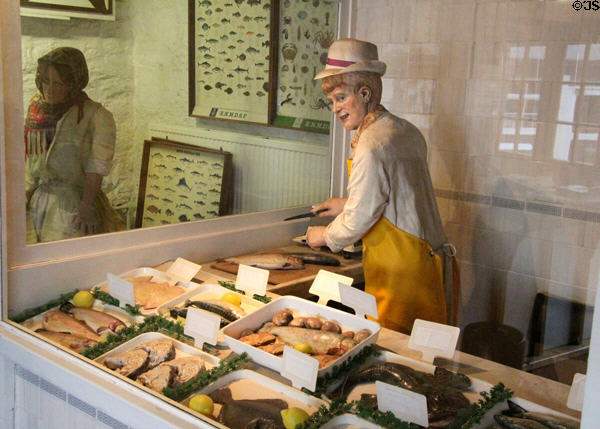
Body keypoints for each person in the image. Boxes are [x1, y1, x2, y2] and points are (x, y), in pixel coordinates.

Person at [306, 38, 457, 334]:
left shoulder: (370, 144)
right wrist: (344, 203)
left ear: (364, 93)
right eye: (332, 101)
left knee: (397, 350)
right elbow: (396, 199)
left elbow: (362, 216)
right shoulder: (404, 130)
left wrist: (325, 235)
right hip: (425, 262)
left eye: (340, 97)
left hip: (400, 273)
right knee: (424, 351)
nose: (335, 109)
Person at [25, 47, 123, 243]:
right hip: (39, 201)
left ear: (72, 84)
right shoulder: (37, 111)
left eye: (58, 84)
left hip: (73, 203)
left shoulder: (95, 115)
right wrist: (24, 195)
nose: (49, 89)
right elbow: (28, 158)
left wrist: (86, 205)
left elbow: (97, 166)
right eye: (46, 81)